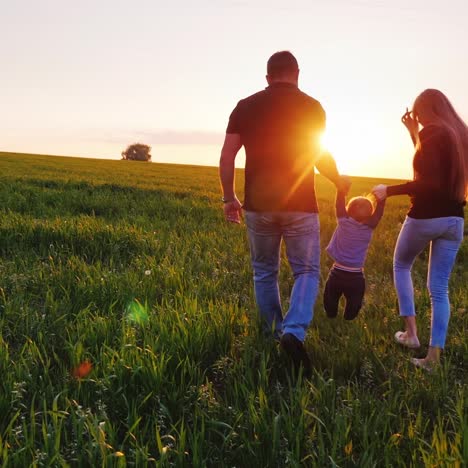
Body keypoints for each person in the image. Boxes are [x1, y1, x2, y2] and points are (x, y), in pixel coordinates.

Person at [219, 51, 350, 374]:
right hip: (300, 206)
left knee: (264, 270)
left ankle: (273, 333)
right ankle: (293, 331)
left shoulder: (244, 106)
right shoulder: (312, 107)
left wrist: (228, 197)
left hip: (258, 206)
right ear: (297, 74)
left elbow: (227, 155)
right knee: (306, 270)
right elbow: (319, 155)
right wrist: (337, 180)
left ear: (267, 77)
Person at [372, 89, 467, 371]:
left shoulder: (432, 132)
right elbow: (433, 166)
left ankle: (412, 335)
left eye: (417, 114)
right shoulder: (459, 135)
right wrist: (413, 133)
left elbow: (427, 182)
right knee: (439, 289)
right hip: (454, 220)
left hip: (426, 216)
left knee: (401, 264)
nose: (417, 119)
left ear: (424, 110)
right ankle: (433, 358)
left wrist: (388, 190)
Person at [324, 190, 385, 320]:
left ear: (348, 210)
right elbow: (379, 214)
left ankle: (331, 315)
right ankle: (349, 318)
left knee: (330, 297)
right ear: (370, 214)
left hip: (337, 273)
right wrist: (382, 199)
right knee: (355, 300)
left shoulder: (344, 222)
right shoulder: (369, 227)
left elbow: (339, 205)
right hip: (356, 277)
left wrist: (340, 189)